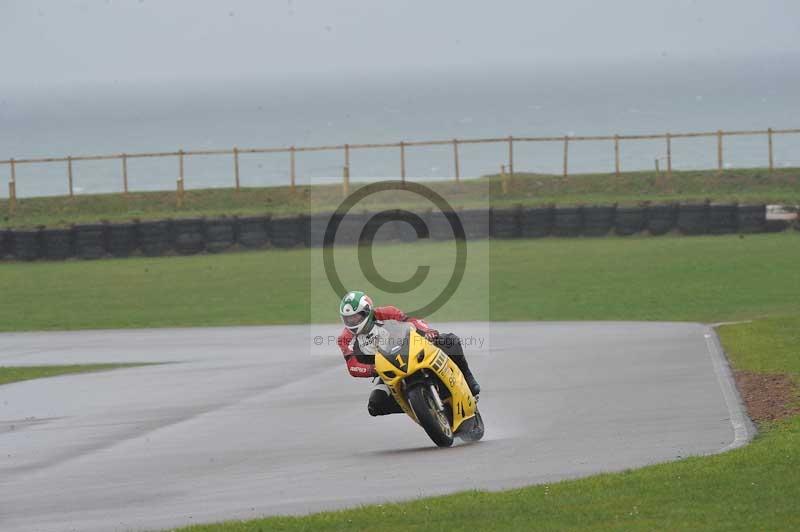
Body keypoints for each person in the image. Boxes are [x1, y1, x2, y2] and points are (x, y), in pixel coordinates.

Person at [337, 290, 480, 417]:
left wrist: (426, 332)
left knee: (450, 341)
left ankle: (468, 377)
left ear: (366, 311)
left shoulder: (386, 312)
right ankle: (420, 409)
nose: (352, 321)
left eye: (355, 317)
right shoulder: (344, 339)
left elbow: (411, 320)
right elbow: (353, 366)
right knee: (375, 405)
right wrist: (373, 369)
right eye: (348, 318)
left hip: (408, 350)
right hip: (386, 369)